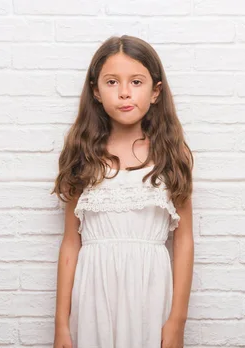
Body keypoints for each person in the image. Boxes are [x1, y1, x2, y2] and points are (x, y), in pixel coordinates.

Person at [50, 35, 195, 348]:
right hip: (93, 292)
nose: (125, 92)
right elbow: (70, 243)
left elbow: (183, 240)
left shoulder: (171, 154)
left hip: (150, 291)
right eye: (112, 82)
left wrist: (177, 320)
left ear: (156, 92)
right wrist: (61, 324)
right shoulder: (83, 154)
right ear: (96, 92)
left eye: (137, 81)